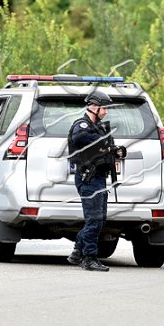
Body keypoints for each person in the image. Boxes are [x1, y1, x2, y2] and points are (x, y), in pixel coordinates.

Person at [66, 90, 126, 272]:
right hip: (89, 179)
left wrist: (116, 150)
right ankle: (89, 258)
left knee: (98, 220)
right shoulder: (82, 125)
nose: (106, 112)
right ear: (94, 107)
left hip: (99, 179)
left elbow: (106, 147)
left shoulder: (98, 128)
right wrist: (105, 145)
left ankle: (77, 251)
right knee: (94, 220)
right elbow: (81, 138)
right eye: (104, 109)